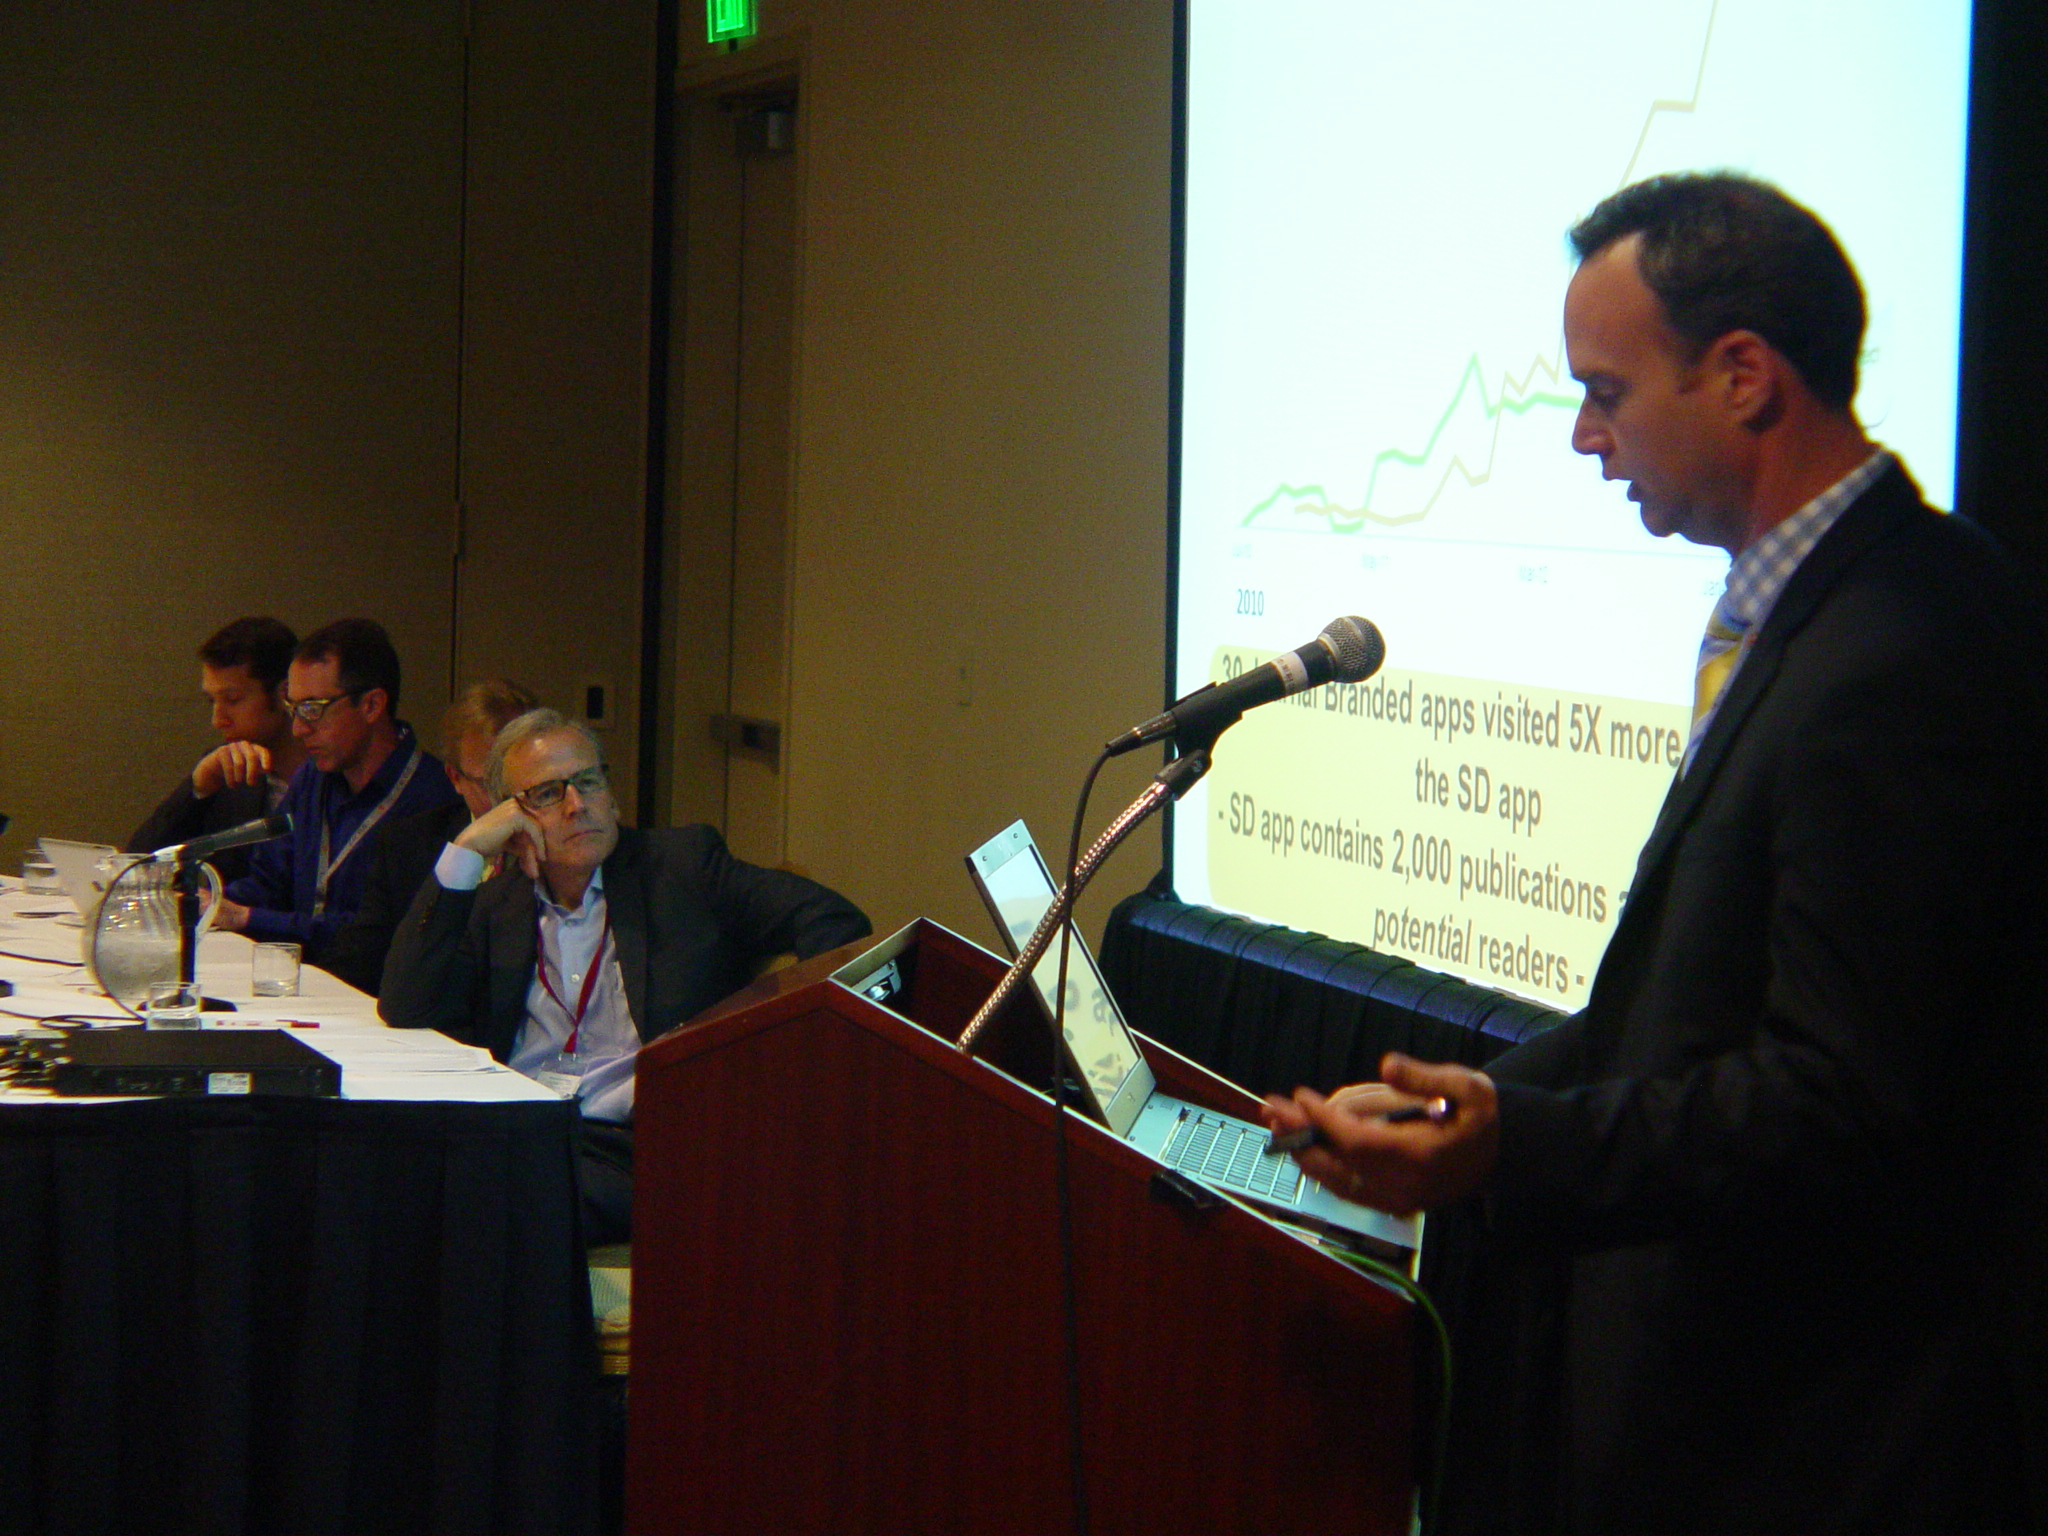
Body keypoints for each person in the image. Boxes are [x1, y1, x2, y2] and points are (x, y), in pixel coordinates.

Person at [1263, 173, 2048, 1534]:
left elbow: (1838, 1099)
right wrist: (1463, 1108)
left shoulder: (1900, 645)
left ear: (1742, 375)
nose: (1582, 437)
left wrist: (1518, 1147)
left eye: (1606, 393)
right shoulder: (1813, 603)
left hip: (1825, 1445)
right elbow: (1693, 999)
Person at [379, 708, 871, 1243]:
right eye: (548, 793)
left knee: (497, 1206)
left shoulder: (682, 867)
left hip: (639, 1145)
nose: (577, 805)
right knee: (388, 1179)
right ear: (512, 820)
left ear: (611, 796)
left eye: (588, 782)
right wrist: (467, 849)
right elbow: (407, 1006)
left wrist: (769, 1050)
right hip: (523, 1128)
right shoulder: (496, 903)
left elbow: (835, 923)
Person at [216, 619, 460, 960]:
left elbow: (375, 935)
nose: (298, 729)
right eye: (292, 708)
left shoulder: (433, 799)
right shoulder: (313, 779)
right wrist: (208, 903)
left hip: (366, 986)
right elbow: (267, 882)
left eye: (312, 710)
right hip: (295, 976)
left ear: (371, 705)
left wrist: (248, 918)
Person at [319, 677, 538, 995]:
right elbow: (360, 962)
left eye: (523, 781)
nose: (511, 802)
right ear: (455, 778)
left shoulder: (569, 845)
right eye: (491, 784)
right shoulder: (407, 846)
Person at [127, 617, 304, 883]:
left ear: (285, 694)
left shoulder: (331, 772)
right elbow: (138, 864)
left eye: (233, 700)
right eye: (212, 701)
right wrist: (197, 789)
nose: (217, 720)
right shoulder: (224, 769)